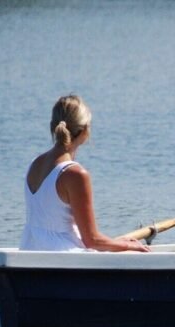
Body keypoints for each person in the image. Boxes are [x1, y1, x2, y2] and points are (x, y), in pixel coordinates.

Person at [20, 95, 148, 252]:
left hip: (29, 250)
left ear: (53, 126)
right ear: (85, 131)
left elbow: (56, 227)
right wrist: (129, 245)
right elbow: (92, 240)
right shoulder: (76, 174)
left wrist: (115, 242)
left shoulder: (34, 163)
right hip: (62, 259)